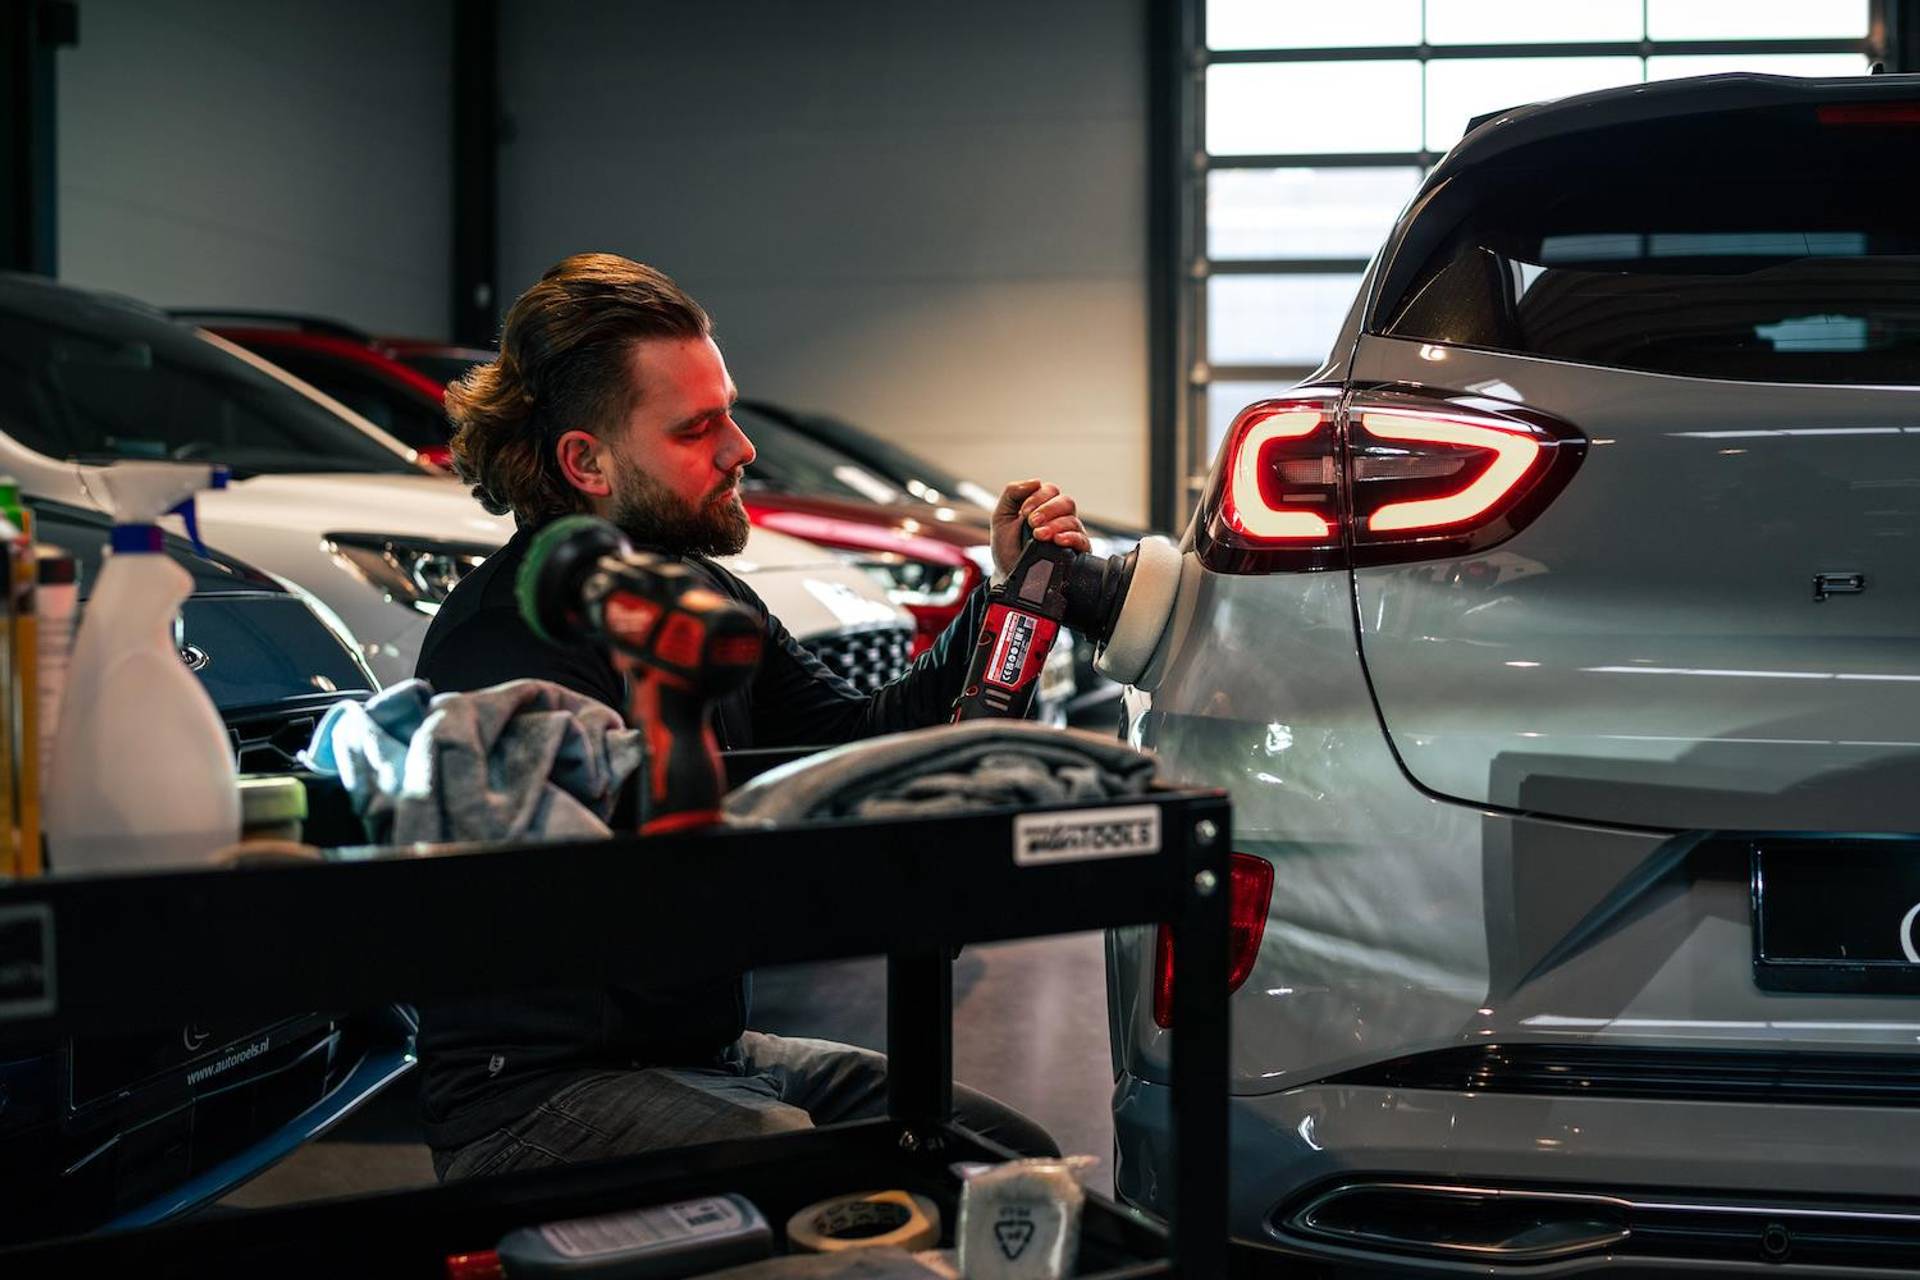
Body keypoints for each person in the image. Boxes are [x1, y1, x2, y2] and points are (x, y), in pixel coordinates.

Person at [413, 252, 1090, 1181]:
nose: (741, 448)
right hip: (540, 1094)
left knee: (1010, 1159)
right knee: (811, 1170)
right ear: (586, 462)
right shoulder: (506, 645)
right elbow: (599, 907)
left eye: (727, 412)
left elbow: (856, 742)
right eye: (697, 429)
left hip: (702, 1054)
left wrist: (1002, 594)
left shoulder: (699, 592)